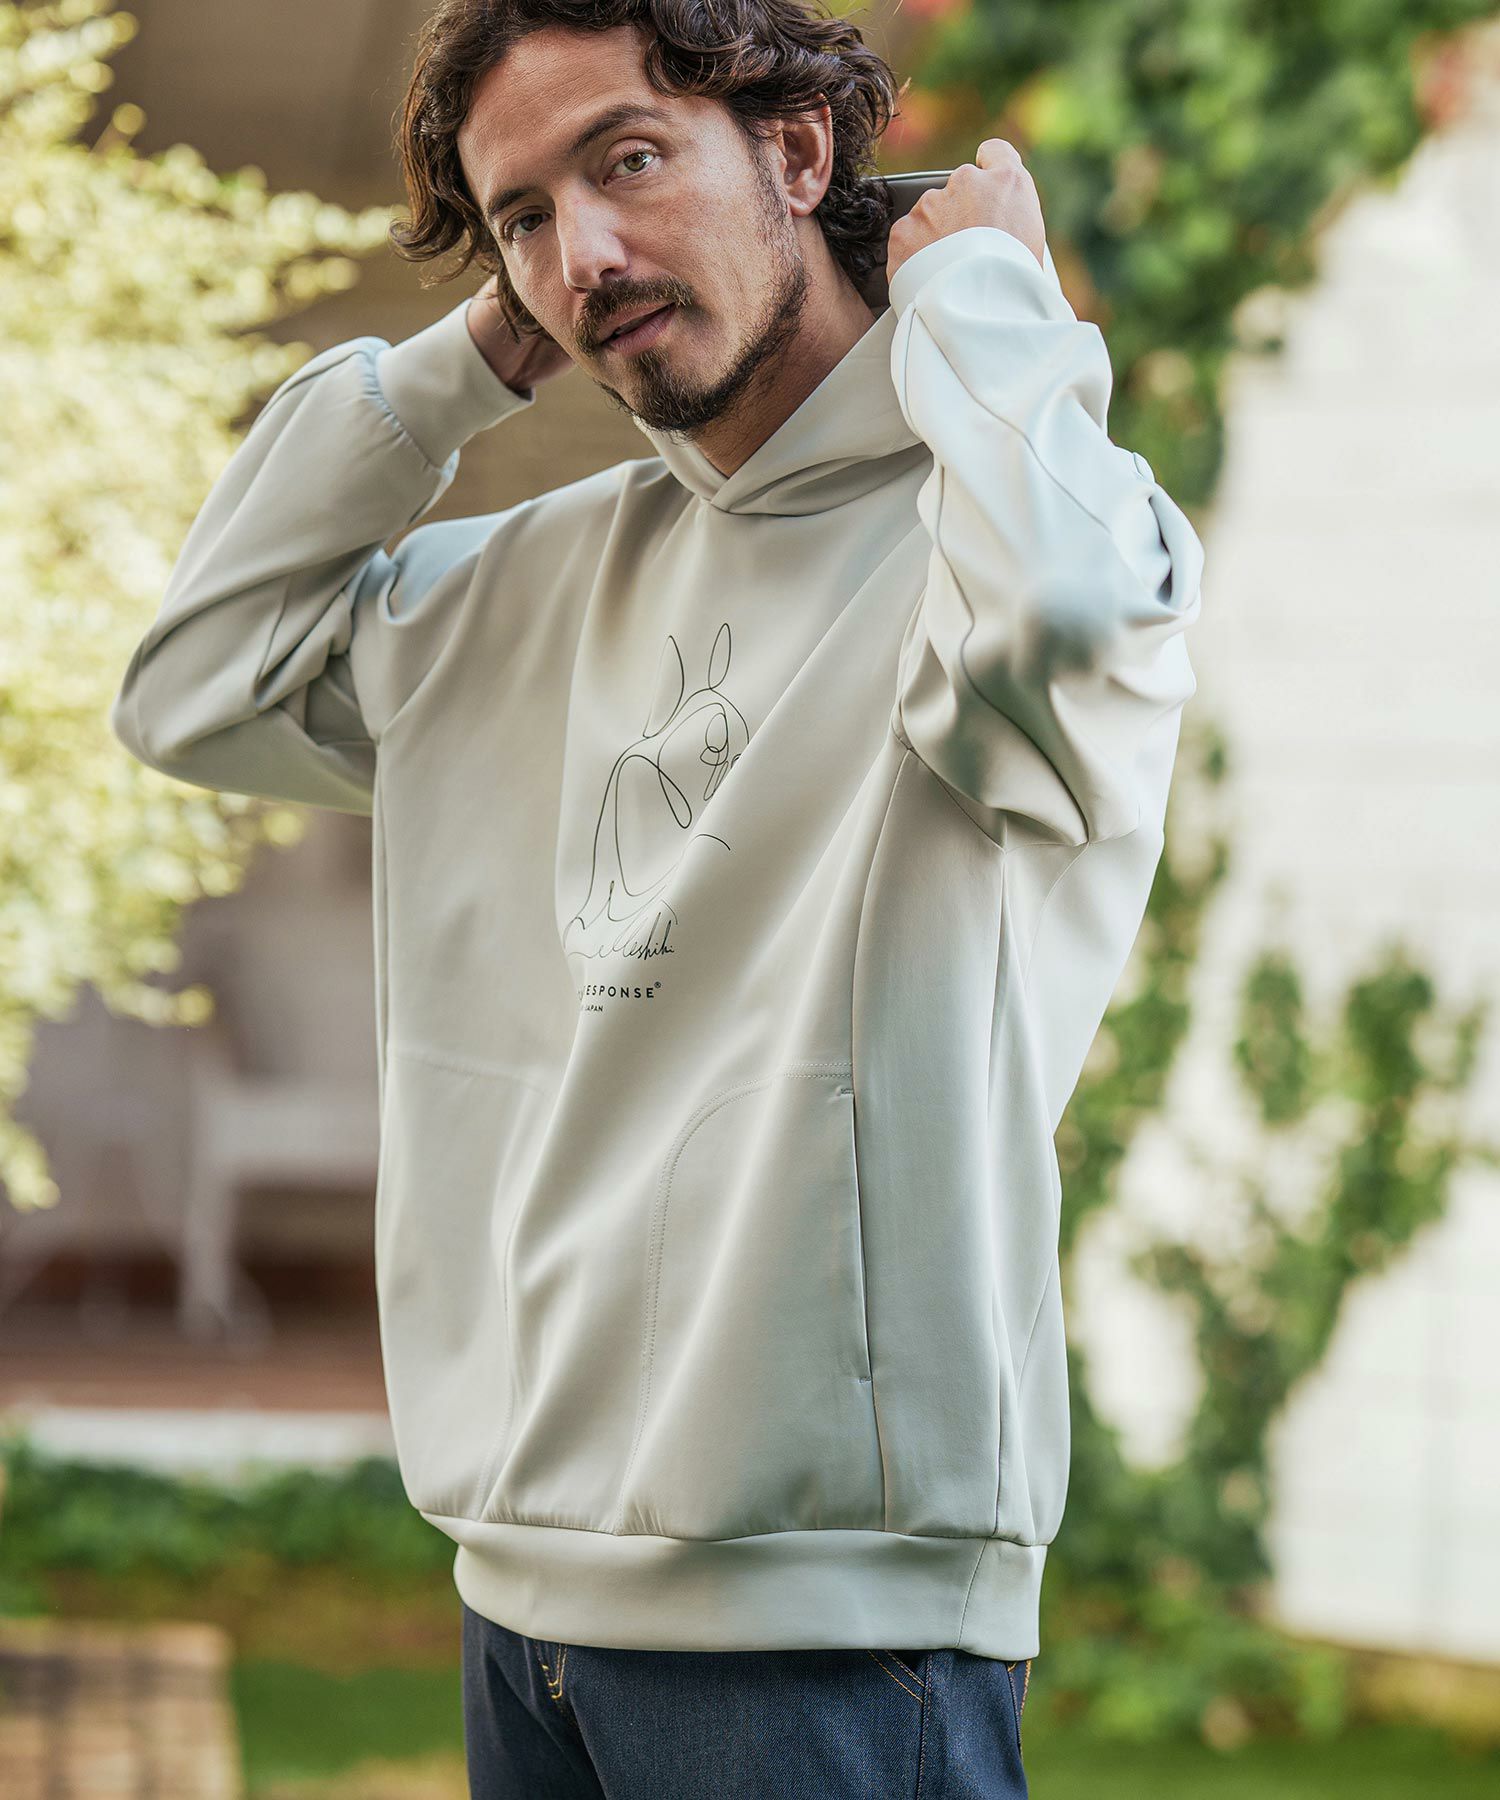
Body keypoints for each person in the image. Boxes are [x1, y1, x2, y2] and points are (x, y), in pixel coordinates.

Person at [109, 0, 1205, 1791]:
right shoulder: (516, 585)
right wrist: (474, 356)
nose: (584, 257)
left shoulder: (1012, 539)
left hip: (828, 1625)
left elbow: (1065, 629)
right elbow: (195, 682)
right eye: (524, 217)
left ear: (798, 150)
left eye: (626, 160)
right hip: (518, 1606)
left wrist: (987, 299)